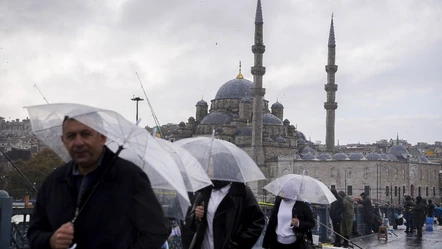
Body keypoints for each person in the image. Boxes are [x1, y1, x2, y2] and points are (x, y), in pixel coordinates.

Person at [27, 115, 170, 249]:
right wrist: (50, 240)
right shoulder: (53, 182)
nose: (78, 142)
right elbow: (34, 233)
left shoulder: (130, 177)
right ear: (63, 140)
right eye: (71, 136)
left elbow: (156, 231)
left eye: (86, 134)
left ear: (102, 137)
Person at [185, 152, 265, 249]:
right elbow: (191, 221)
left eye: (211, 166)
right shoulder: (205, 191)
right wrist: (196, 216)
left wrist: (238, 243)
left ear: (221, 168)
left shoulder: (241, 192)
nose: (207, 170)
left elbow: (257, 222)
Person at [262, 183, 315, 249]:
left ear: (290, 193)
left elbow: (311, 223)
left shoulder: (302, 205)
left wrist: (298, 223)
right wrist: (266, 243)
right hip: (277, 243)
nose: (281, 194)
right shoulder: (278, 201)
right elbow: (272, 222)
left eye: (283, 192)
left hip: (295, 244)